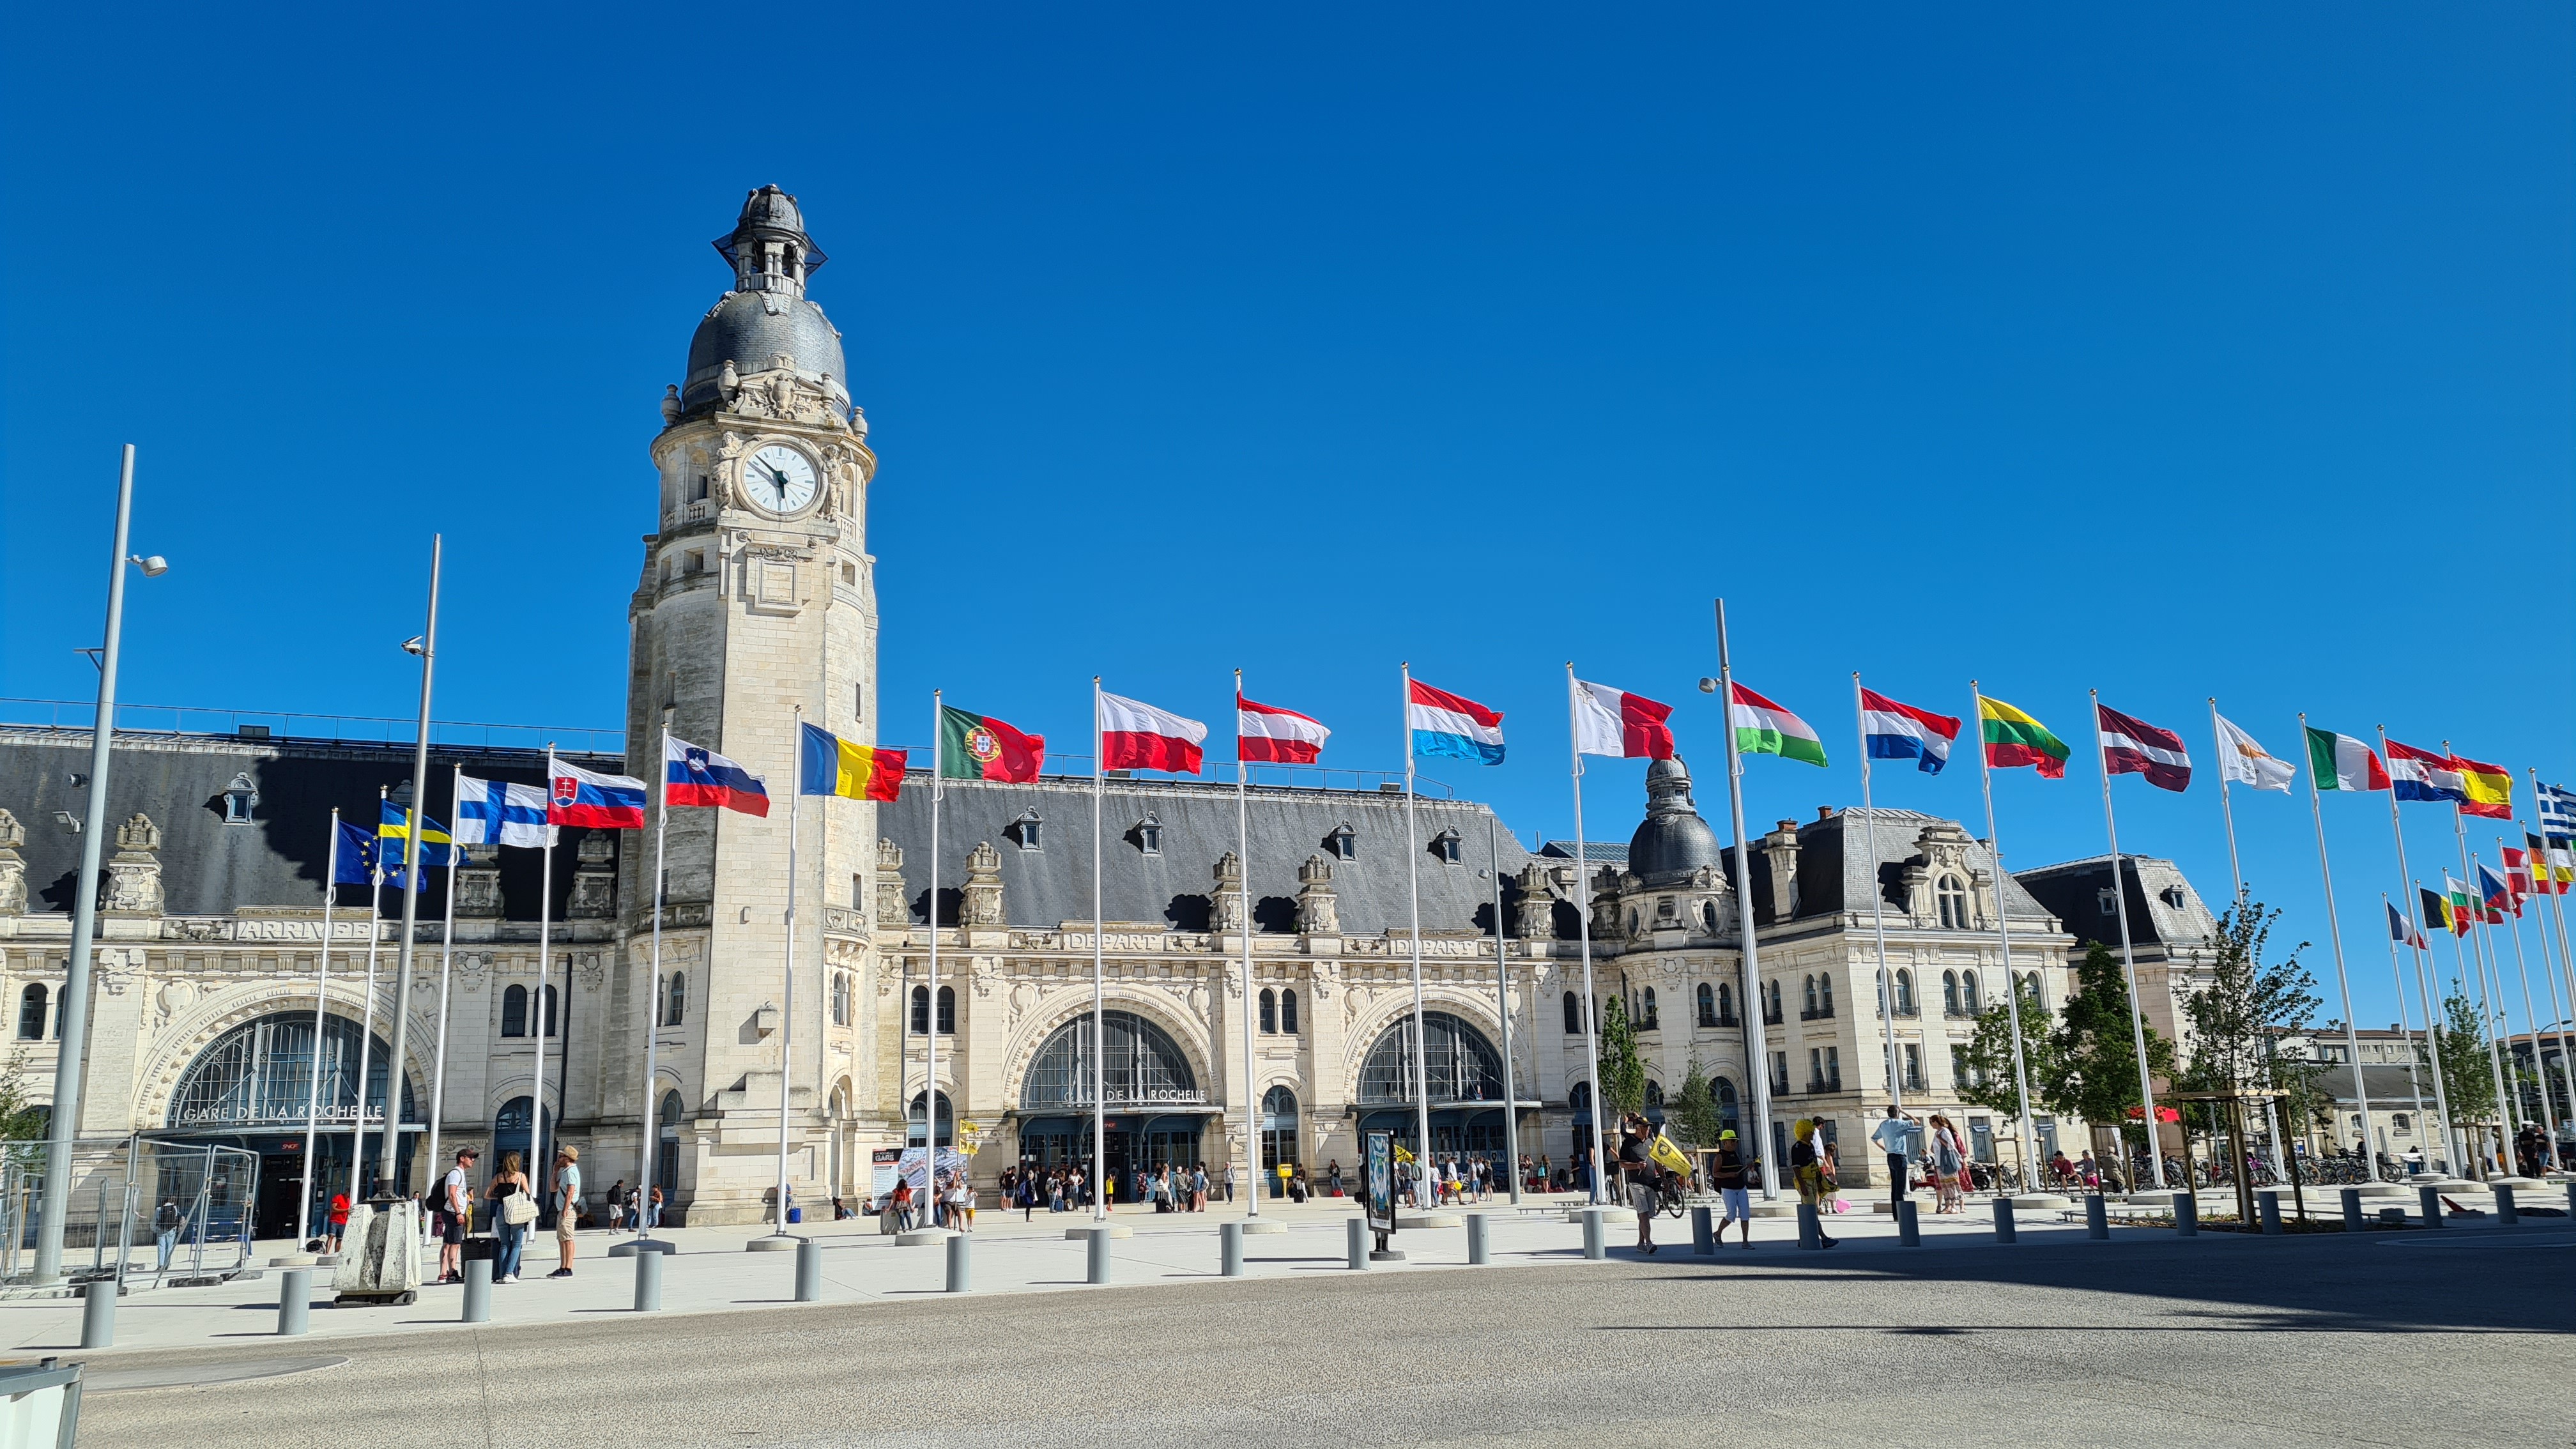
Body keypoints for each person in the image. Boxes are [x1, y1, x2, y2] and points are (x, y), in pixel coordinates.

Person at [1790, 1119, 1838, 1248]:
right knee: (1811, 1209)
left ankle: (1804, 1237)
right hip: (1804, 1182)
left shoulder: (1810, 1146)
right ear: (1804, 1133)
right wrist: (1803, 1186)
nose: (1812, 1135)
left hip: (1813, 1180)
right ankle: (1823, 1237)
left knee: (1808, 1210)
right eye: (1810, 1133)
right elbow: (1796, 1168)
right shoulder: (1797, 1148)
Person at [487, 1151, 534, 1284]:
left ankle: (502, 1275)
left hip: (501, 1210)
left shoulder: (499, 1177)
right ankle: (509, 1273)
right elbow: (527, 1195)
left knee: (504, 1244)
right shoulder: (520, 1177)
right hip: (516, 1212)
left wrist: (499, 1198)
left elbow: (487, 1194)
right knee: (517, 1244)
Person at [1618, 1116, 1657, 1253]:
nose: (1648, 1130)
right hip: (1636, 1183)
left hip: (1651, 1183)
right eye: (1646, 1128)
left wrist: (1664, 1179)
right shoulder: (1628, 1143)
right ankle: (1649, 1243)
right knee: (1644, 1213)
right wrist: (1636, 1165)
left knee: (1646, 1215)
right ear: (1638, 1128)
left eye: (1649, 1128)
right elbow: (1622, 1164)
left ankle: (1641, 1243)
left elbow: (1657, 1161)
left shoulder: (1651, 1142)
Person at [438, 1147, 477, 1283]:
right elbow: (452, 1194)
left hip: (451, 1212)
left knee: (448, 1244)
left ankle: (444, 1273)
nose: (473, 1160)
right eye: (470, 1157)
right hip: (454, 1213)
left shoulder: (458, 1173)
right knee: (455, 1244)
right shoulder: (456, 1174)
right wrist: (459, 1213)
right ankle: (452, 1273)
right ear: (462, 1158)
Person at [1708, 1130, 1752, 1247]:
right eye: (1732, 1141)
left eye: (1736, 1141)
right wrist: (1730, 1175)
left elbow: (1737, 1170)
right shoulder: (1720, 1156)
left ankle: (1745, 1241)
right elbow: (1715, 1173)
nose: (1735, 1144)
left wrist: (1746, 1168)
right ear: (1725, 1142)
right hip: (1728, 1188)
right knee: (1731, 1214)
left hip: (1740, 1187)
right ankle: (1718, 1233)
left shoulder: (1736, 1154)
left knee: (1745, 1214)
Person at [1870, 1106, 1917, 1212]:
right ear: (1897, 1113)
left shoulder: (1884, 1124)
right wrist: (1903, 1111)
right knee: (1900, 1186)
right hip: (1900, 1155)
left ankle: (1896, 1213)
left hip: (1890, 1156)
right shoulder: (1899, 1123)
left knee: (1894, 1185)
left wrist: (1885, 1149)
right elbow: (1916, 1121)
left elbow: (1874, 1139)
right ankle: (1901, 1212)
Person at [549, 1145, 583, 1278]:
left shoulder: (571, 1172)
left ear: (567, 1158)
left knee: (568, 1239)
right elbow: (553, 1189)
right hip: (563, 1209)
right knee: (562, 1239)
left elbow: (570, 1192)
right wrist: (554, 1172)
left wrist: (565, 1209)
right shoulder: (565, 1172)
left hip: (567, 1210)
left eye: (561, 1156)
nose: (559, 1159)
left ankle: (568, 1268)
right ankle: (563, 1267)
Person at [154, 1197, 183, 1271]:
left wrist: (156, 1228)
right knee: (169, 1247)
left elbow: (156, 1220)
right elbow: (178, 1218)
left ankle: (160, 1265)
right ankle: (167, 1264)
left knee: (161, 1246)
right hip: (172, 1229)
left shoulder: (159, 1209)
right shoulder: (175, 1208)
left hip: (162, 1229)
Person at [326, 1189, 351, 1254]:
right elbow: (333, 1209)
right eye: (349, 1193)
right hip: (335, 1220)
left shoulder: (349, 1200)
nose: (349, 1196)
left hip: (343, 1221)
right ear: (346, 1191)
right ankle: (327, 1252)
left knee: (340, 1239)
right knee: (331, 1236)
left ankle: (336, 1253)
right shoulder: (338, 1197)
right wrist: (345, 1210)